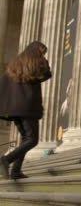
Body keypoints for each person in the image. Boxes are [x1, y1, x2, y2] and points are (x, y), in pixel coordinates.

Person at [0, 41, 52, 180]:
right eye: (42, 53)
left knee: (25, 138)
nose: (43, 56)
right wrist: (45, 62)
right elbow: (47, 75)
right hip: (27, 108)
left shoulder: (15, 64)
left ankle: (16, 171)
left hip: (14, 109)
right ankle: (5, 160)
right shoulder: (34, 63)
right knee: (32, 139)